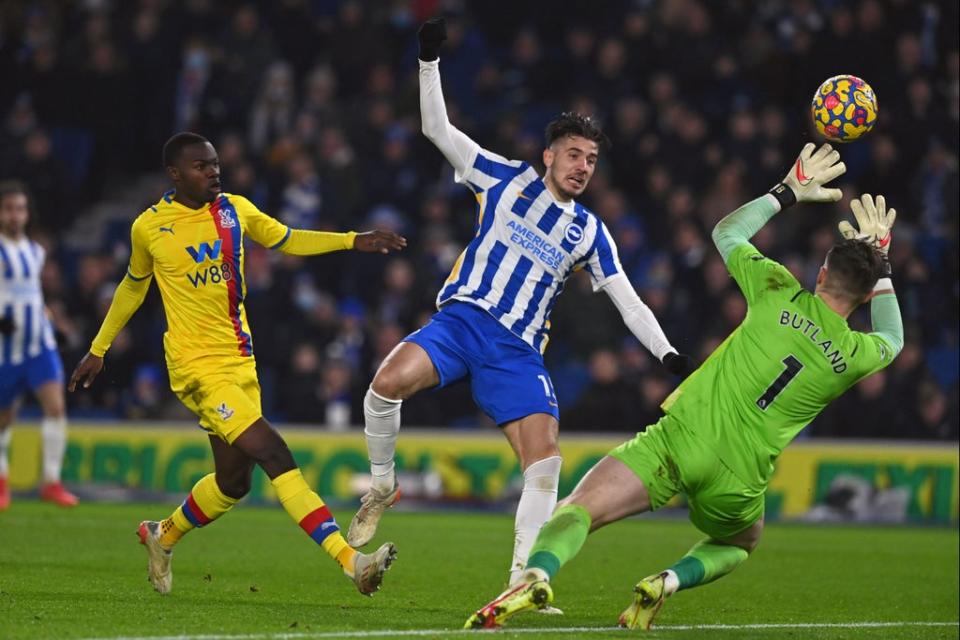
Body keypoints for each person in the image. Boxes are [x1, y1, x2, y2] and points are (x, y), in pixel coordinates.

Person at [465, 143, 903, 629]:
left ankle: (536, 575)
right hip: (738, 479)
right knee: (741, 542)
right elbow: (894, 337)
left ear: (820, 275)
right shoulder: (857, 356)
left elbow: (726, 231)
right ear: (864, 298)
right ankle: (667, 582)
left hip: (680, 439)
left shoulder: (776, 288)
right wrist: (881, 265)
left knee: (577, 510)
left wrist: (788, 191)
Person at [349, 17, 692, 595]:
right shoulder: (502, 178)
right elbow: (436, 127)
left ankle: (520, 583)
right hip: (461, 323)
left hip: (516, 351)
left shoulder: (589, 231)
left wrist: (669, 355)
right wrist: (428, 60)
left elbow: (628, 301)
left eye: (592, 160)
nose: (584, 167)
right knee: (385, 384)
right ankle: (382, 484)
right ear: (549, 155)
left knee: (546, 461)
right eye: (575, 155)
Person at [69, 132, 407, 596]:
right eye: (201, 166)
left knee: (232, 483)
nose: (213, 172)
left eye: (214, 165)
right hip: (196, 369)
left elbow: (287, 238)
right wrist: (98, 349)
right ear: (175, 174)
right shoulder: (149, 227)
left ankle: (161, 534)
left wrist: (352, 240)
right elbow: (132, 286)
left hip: (239, 362)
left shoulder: (235, 209)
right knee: (274, 452)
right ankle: (352, 562)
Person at [0, 180, 78, 510]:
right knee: (4, 419)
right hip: (5, 348)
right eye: (9, 209)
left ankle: (51, 481)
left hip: (37, 344)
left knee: (56, 407)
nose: (15, 215)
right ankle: (3, 482)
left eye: (20, 209)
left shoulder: (36, 251)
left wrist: (52, 324)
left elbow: (34, 294)